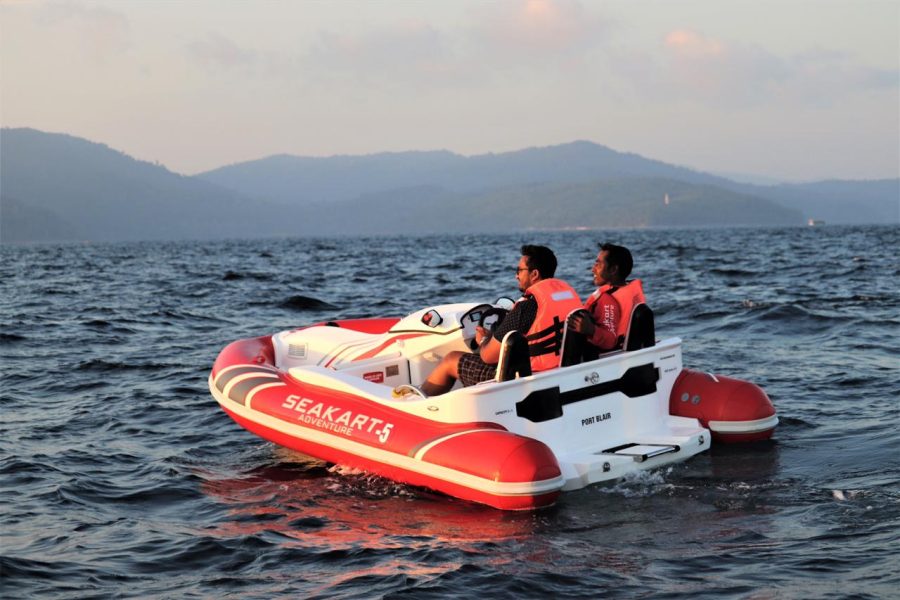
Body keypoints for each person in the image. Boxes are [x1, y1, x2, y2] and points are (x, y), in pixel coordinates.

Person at [403, 245, 582, 397]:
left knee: (451, 360)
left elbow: (488, 356)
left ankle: (418, 406)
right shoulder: (567, 296)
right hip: (560, 370)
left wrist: (483, 341)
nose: (516, 276)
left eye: (519, 270)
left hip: (524, 378)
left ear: (534, 274)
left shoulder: (526, 307)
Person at [567, 243, 646, 352]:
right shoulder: (631, 289)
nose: (593, 269)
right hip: (626, 349)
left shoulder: (607, 301)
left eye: (598, 264)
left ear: (613, 269)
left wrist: (591, 330)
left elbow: (610, 340)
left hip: (608, 355)